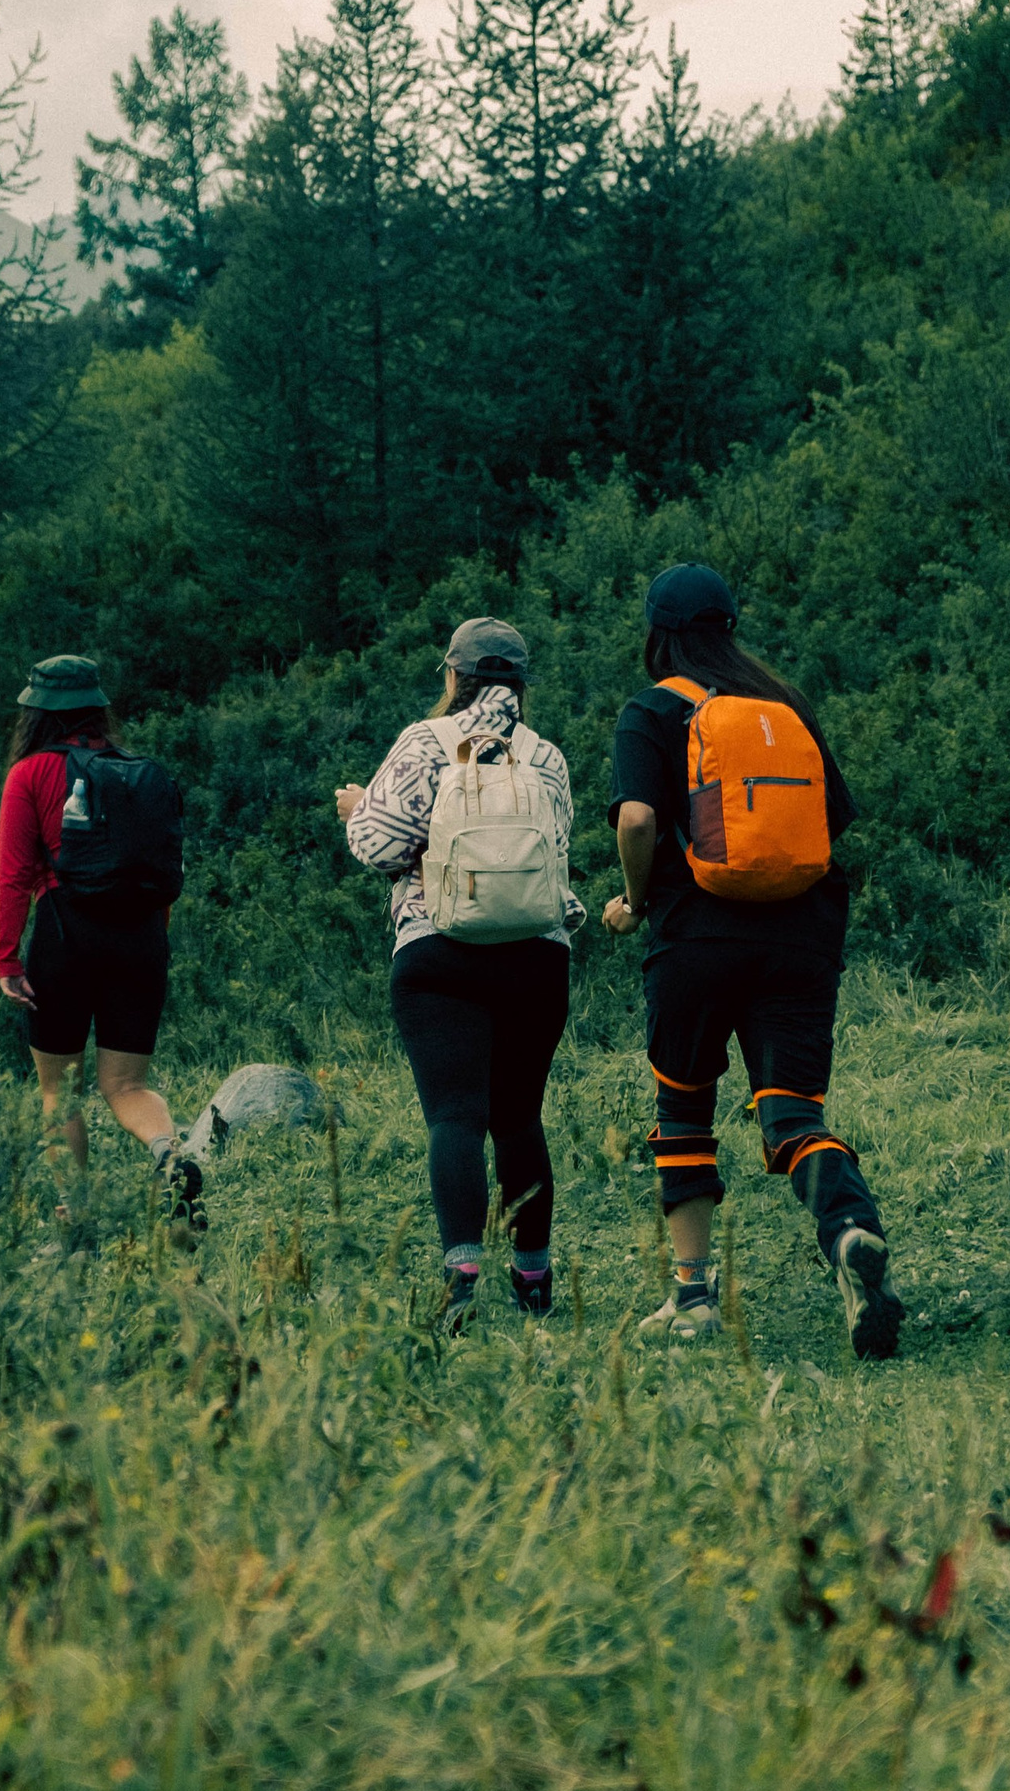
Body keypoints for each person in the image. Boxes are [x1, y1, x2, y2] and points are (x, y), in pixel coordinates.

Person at [601, 563, 902, 1357]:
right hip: (801, 935)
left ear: (657, 633)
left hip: (695, 938)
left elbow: (637, 820)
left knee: (683, 1110)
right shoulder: (783, 705)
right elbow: (830, 823)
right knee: (794, 1115)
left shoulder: (651, 709)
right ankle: (848, 1230)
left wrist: (635, 899)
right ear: (730, 627)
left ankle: (693, 1299)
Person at [336, 616, 583, 1330]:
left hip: (439, 950)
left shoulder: (426, 742)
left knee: (455, 1116)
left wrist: (357, 808)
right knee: (519, 1117)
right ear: (521, 685)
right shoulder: (545, 756)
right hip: (536, 953)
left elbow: (379, 847)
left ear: (454, 676)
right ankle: (533, 1277)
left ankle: (461, 1277)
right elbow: (556, 846)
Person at [0, 654, 202, 1232]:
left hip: (65, 936)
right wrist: (148, 944)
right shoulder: (138, 772)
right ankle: (170, 1154)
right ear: (97, 709)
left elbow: (14, 875)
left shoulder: (30, 773)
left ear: (36, 713)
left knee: (59, 1091)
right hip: (141, 937)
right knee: (128, 1085)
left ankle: (77, 1213)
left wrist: (7, 958)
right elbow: (162, 871)